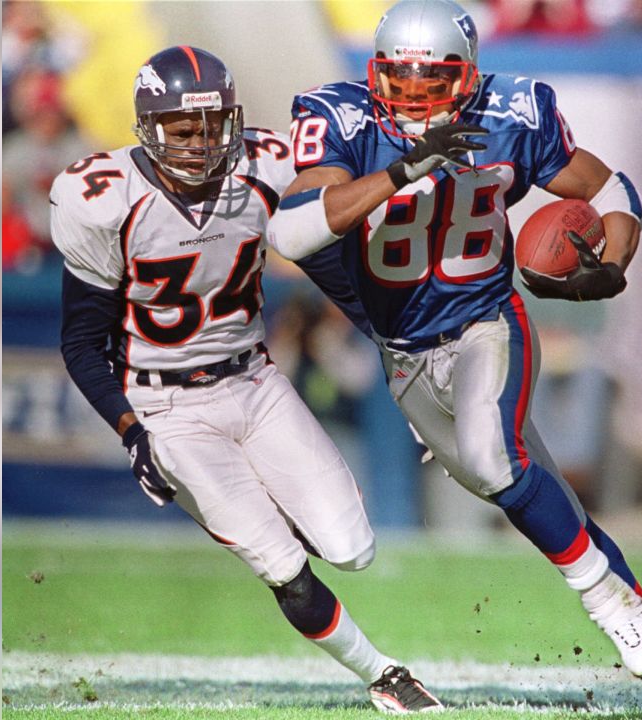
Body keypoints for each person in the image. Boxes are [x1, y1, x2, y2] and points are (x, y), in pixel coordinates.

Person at [266, 2, 642, 718]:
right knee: (536, 494)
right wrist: (402, 171)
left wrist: (613, 257)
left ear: (469, 76)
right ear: (374, 75)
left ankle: (613, 611)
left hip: (487, 323)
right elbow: (291, 233)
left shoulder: (512, 111)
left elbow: (609, 190)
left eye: (433, 82)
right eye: (401, 81)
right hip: (405, 353)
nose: (415, 98)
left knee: (494, 458)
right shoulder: (343, 119)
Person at [49, 46, 441, 714]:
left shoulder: (262, 170)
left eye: (212, 127)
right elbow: (82, 342)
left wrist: (395, 347)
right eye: (182, 130)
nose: (201, 145)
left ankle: (277, 507)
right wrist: (132, 433)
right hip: (165, 404)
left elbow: (326, 266)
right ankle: (383, 673)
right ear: (150, 127)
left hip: (255, 384)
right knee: (282, 567)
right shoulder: (102, 198)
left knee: (353, 549)